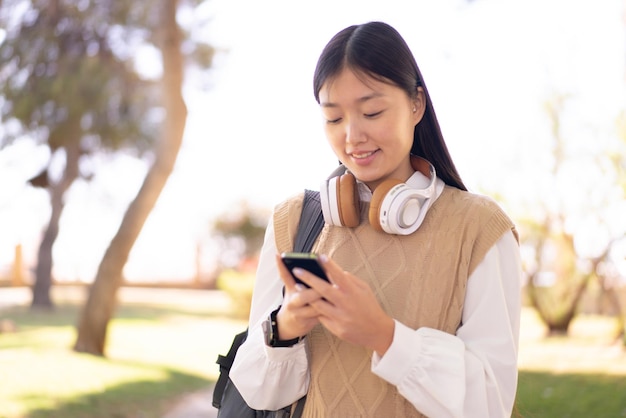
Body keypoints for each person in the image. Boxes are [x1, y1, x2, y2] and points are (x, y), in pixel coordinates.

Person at [230, 21, 521, 418]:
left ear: (416, 104)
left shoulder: (479, 229)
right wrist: (283, 329)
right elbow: (259, 394)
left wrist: (385, 337)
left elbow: (491, 402)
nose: (352, 136)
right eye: (333, 119)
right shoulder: (293, 220)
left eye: (371, 111)